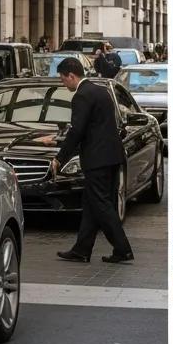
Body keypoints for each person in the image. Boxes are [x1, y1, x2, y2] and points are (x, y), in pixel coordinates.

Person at [50, 58, 134, 264]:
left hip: (97, 159)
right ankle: (82, 249)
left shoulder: (81, 96)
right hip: (112, 156)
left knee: (102, 205)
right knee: (92, 205)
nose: (63, 84)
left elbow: (77, 131)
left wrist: (60, 158)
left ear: (71, 75)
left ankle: (123, 249)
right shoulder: (101, 91)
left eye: (63, 79)